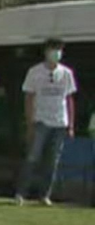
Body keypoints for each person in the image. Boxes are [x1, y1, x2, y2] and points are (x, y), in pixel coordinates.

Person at [15, 38, 78, 206]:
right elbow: (29, 97)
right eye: (53, 49)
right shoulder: (35, 72)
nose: (56, 53)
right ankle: (21, 193)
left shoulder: (66, 73)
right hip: (41, 121)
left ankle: (44, 195)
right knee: (32, 158)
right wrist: (29, 123)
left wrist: (71, 125)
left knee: (52, 161)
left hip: (59, 123)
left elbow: (69, 98)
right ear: (46, 51)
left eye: (59, 50)